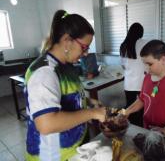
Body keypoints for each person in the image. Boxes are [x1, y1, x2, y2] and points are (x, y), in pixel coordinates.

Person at [24, 10, 106, 161]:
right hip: (54, 156)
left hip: (75, 149)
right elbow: (46, 124)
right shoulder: (45, 72)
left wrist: (87, 102)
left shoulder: (66, 66)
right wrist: (92, 113)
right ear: (67, 41)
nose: (86, 53)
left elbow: (63, 99)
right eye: (84, 47)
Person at [120, 23, 149, 127]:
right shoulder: (145, 43)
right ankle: (141, 131)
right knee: (142, 110)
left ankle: (130, 129)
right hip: (142, 84)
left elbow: (123, 66)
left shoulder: (123, 45)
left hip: (129, 84)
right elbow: (148, 63)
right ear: (141, 33)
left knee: (130, 109)